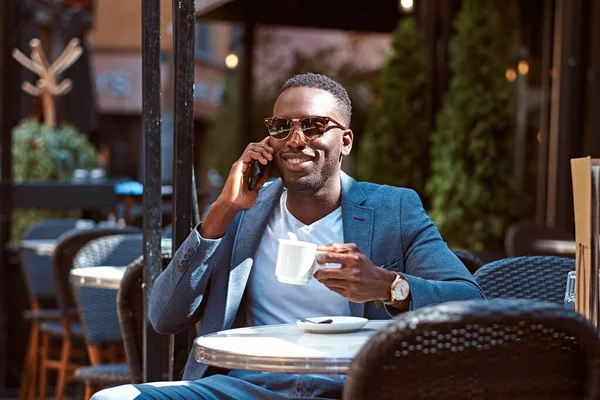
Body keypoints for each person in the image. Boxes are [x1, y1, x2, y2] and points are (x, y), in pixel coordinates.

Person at [93, 73, 485, 399]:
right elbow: (163, 317)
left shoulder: (392, 210)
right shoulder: (245, 212)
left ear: (345, 141)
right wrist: (223, 210)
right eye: (283, 127)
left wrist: (387, 286)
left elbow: (471, 302)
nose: (296, 139)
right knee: (112, 398)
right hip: (246, 388)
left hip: (351, 390)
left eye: (313, 125)